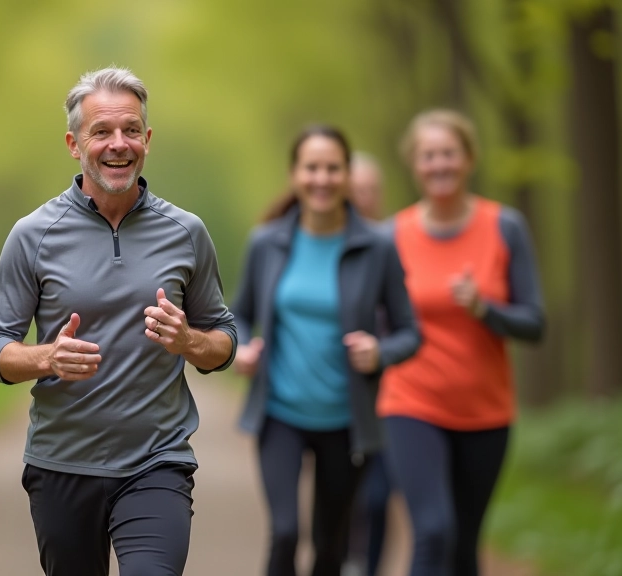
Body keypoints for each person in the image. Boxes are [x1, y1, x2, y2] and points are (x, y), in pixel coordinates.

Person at [0, 67, 237, 576]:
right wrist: (45, 357)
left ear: (147, 139)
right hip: (61, 465)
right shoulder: (33, 235)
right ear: (74, 144)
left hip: (157, 461)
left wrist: (187, 340)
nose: (119, 144)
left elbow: (224, 340)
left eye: (131, 130)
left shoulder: (185, 233)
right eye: (102, 132)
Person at [230, 126, 421, 576]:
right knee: (284, 533)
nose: (322, 178)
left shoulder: (376, 246)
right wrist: (240, 349)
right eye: (311, 168)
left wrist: (380, 351)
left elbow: (409, 332)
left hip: (345, 420)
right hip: (279, 414)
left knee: (330, 546)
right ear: (295, 174)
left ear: (347, 174)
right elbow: (237, 314)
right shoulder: (267, 242)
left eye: (333, 168)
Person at [378, 109, 545, 576]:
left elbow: (535, 323)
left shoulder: (504, 227)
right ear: (415, 164)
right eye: (428, 156)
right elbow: (374, 318)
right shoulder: (391, 235)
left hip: (485, 410)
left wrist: (485, 309)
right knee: (433, 530)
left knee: (465, 545)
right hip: (412, 402)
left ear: (469, 159)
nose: (439, 165)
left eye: (449, 154)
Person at [345, 151, 395, 576]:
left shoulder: (389, 246)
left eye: (369, 191)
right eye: (354, 190)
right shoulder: (324, 244)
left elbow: (411, 323)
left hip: (394, 396)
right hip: (339, 398)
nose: (361, 198)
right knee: (343, 497)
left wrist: (385, 352)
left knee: (378, 497)